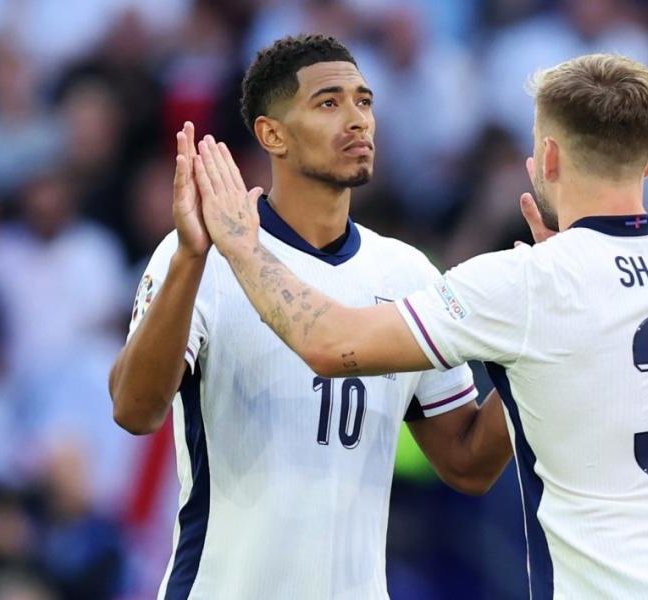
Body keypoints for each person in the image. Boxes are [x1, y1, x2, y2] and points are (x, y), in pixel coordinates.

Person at [194, 53, 648, 598]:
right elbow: (618, 350)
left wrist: (243, 246)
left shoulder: (525, 286)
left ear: (547, 160)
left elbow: (328, 343)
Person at [108, 34, 511, 600]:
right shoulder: (203, 255)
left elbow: (469, 464)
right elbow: (134, 409)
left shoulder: (407, 272)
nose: (358, 120)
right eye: (330, 103)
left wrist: (531, 351)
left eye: (364, 101)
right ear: (273, 134)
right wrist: (190, 259)